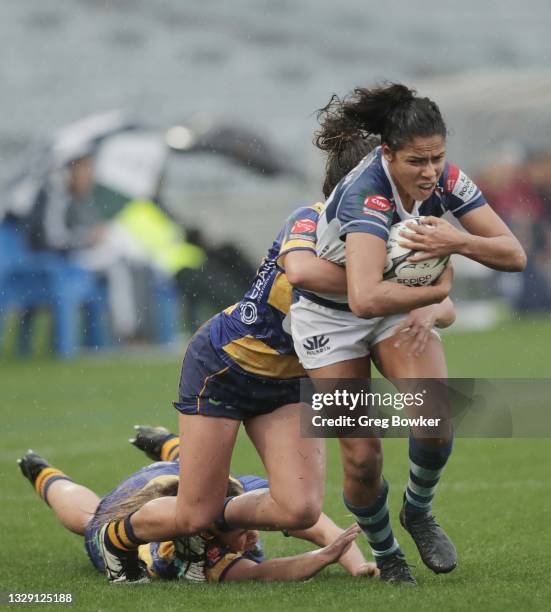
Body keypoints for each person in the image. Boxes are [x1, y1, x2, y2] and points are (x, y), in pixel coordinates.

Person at [87, 134, 390, 584]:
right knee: (192, 515)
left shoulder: (388, 235)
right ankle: (117, 535)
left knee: (300, 507)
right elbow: (307, 273)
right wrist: (393, 287)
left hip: (289, 382)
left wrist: (432, 282)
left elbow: (435, 306)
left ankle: (211, 515)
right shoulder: (309, 220)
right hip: (225, 366)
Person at [286, 83, 526, 584]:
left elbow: (514, 255)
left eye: (438, 157)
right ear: (387, 152)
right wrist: (434, 295)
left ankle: (418, 511)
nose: (430, 171)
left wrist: (456, 241)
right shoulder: (365, 196)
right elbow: (364, 298)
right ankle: (389, 554)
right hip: (329, 321)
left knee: (435, 422)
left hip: (397, 304)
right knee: (362, 457)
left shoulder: (448, 180)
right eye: (417, 161)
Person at [16, 434, 377, 583]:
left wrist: (357, 563)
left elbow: (317, 524)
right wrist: (322, 558)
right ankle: (42, 473)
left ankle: (170, 446)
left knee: (207, 480)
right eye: (241, 529)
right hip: (138, 503)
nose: (253, 531)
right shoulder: (202, 556)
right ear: (211, 532)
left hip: (181, 486)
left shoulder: (232, 506)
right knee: (87, 519)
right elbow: (264, 573)